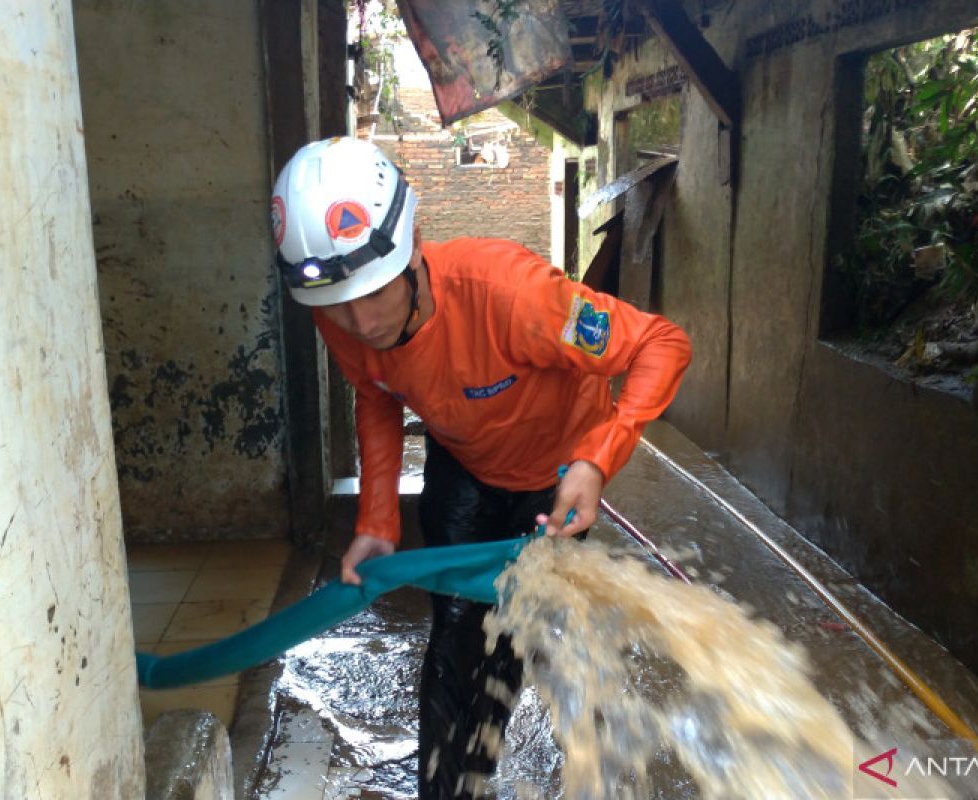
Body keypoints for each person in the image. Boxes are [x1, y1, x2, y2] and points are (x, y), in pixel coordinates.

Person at [270, 136, 691, 799]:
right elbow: (376, 394)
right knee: (455, 629)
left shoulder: (514, 295)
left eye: (372, 293)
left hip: (556, 482)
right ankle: (445, 791)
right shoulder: (343, 318)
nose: (357, 320)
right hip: (463, 465)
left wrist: (598, 459)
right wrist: (377, 519)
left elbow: (661, 344)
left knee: (510, 631)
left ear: (410, 250)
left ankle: (478, 770)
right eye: (335, 303)